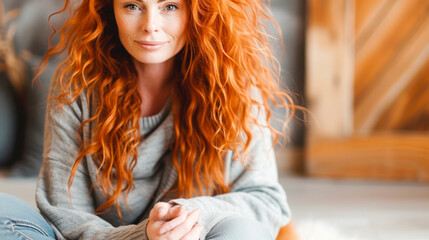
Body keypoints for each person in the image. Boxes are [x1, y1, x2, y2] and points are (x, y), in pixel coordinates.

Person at [0, 0, 294, 239]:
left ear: (199, 9)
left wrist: (189, 216)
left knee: (241, 230)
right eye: (132, 6)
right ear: (109, 9)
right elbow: (66, 212)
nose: (150, 25)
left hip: (197, 235)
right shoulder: (75, 83)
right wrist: (145, 236)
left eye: (170, 7)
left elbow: (267, 200)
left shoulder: (233, 84)